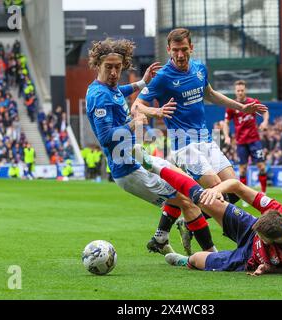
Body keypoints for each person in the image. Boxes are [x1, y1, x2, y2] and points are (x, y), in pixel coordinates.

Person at [133, 28, 267, 252]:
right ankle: (246, 242)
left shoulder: (199, 69)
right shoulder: (163, 77)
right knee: (215, 188)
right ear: (168, 50)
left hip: (206, 140)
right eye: (175, 50)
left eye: (184, 49)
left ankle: (191, 221)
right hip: (183, 145)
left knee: (233, 190)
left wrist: (241, 106)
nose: (180, 54)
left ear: (191, 48)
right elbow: (136, 105)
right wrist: (156, 112)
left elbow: (211, 94)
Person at [86, 38, 217, 255]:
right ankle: (213, 256)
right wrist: (134, 123)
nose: (113, 72)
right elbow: (106, 138)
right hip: (129, 171)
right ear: (97, 65)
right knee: (187, 199)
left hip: (138, 159)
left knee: (183, 185)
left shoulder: (108, 88)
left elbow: (120, 92)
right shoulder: (99, 96)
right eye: (108, 67)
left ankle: (160, 239)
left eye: (117, 67)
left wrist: (142, 83)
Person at [137, 150, 282, 275]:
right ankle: (154, 165)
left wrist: (269, 268)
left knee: (196, 260)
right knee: (202, 197)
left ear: (272, 241)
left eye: (262, 238)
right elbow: (237, 185)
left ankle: (185, 260)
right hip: (248, 228)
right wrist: (217, 190)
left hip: (247, 258)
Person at [222, 80, 270, 202]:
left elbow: (265, 111)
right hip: (241, 142)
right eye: (238, 90)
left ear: (245, 90)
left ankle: (264, 193)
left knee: (262, 166)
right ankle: (245, 196)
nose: (240, 92)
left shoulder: (253, 102)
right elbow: (226, 123)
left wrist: (265, 122)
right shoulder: (232, 106)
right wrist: (227, 136)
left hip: (254, 140)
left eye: (242, 90)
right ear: (235, 91)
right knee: (243, 169)